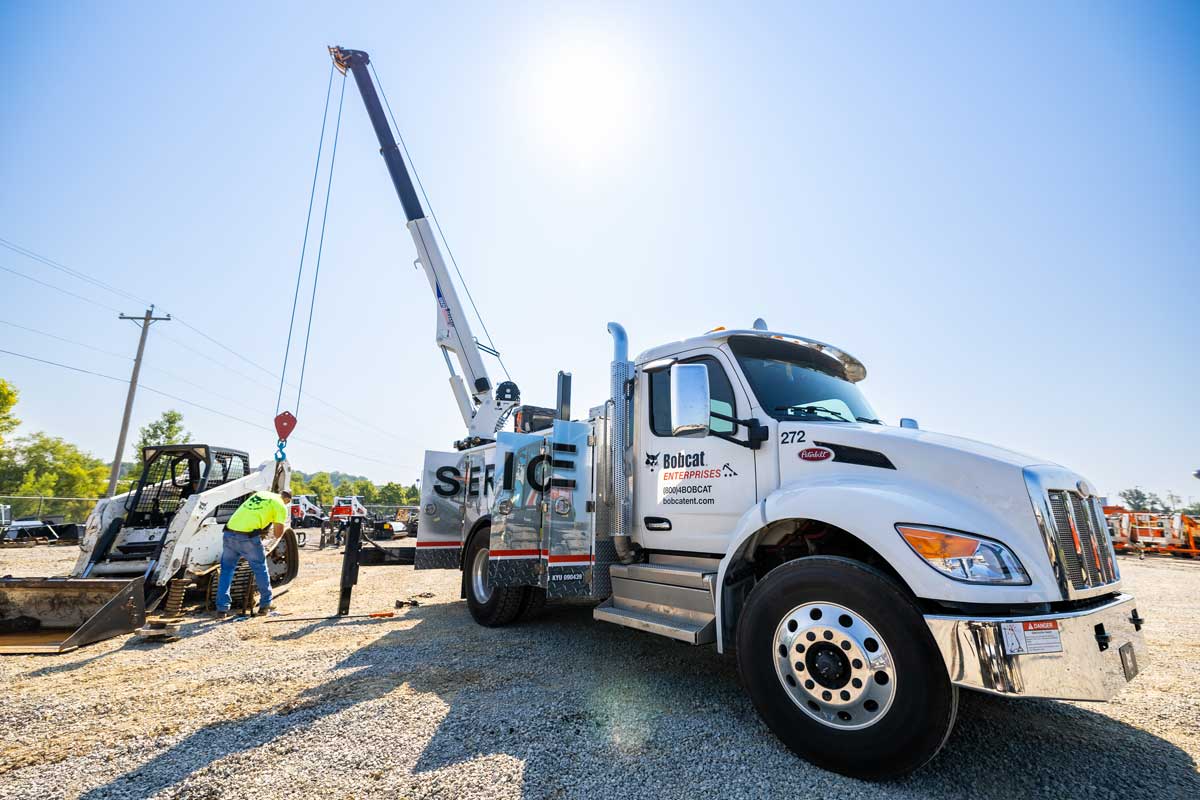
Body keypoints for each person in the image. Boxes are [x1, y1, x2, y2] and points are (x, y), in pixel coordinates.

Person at [214, 489, 291, 618]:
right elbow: (278, 534)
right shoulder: (281, 506)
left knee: (226, 570)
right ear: (287, 500)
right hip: (247, 537)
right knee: (260, 568)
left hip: (229, 533)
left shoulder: (261, 494)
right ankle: (265, 605)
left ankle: (222, 609)